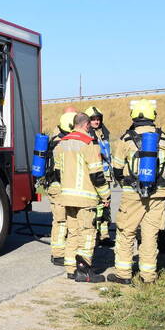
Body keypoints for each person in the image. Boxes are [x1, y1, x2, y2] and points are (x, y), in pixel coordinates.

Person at [106, 99, 165, 285]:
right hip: (158, 193)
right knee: (150, 234)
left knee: (126, 232)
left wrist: (125, 182)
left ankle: (123, 274)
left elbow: (117, 168)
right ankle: (148, 276)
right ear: (153, 116)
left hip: (133, 194)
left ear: (133, 116)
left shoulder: (126, 139)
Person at [52, 113, 109, 282]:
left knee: (73, 233)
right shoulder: (88, 143)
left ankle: (71, 269)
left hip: (67, 197)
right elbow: (97, 174)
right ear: (86, 125)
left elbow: (57, 172)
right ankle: (84, 270)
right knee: (88, 233)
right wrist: (105, 195)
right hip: (85, 198)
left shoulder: (62, 144)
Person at [44, 107, 78, 264]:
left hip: (59, 186)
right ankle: (57, 253)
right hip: (58, 187)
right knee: (60, 221)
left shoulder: (59, 140)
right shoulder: (61, 145)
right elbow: (61, 171)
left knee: (65, 220)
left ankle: (64, 251)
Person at [84, 105, 114, 246]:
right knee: (96, 207)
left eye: (98, 119)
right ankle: (94, 235)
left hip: (105, 176)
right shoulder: (87, 136)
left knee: (105, 206)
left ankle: (104, 235)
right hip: (94, 176)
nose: (96, 122)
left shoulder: (103, 134)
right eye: (93, 119)